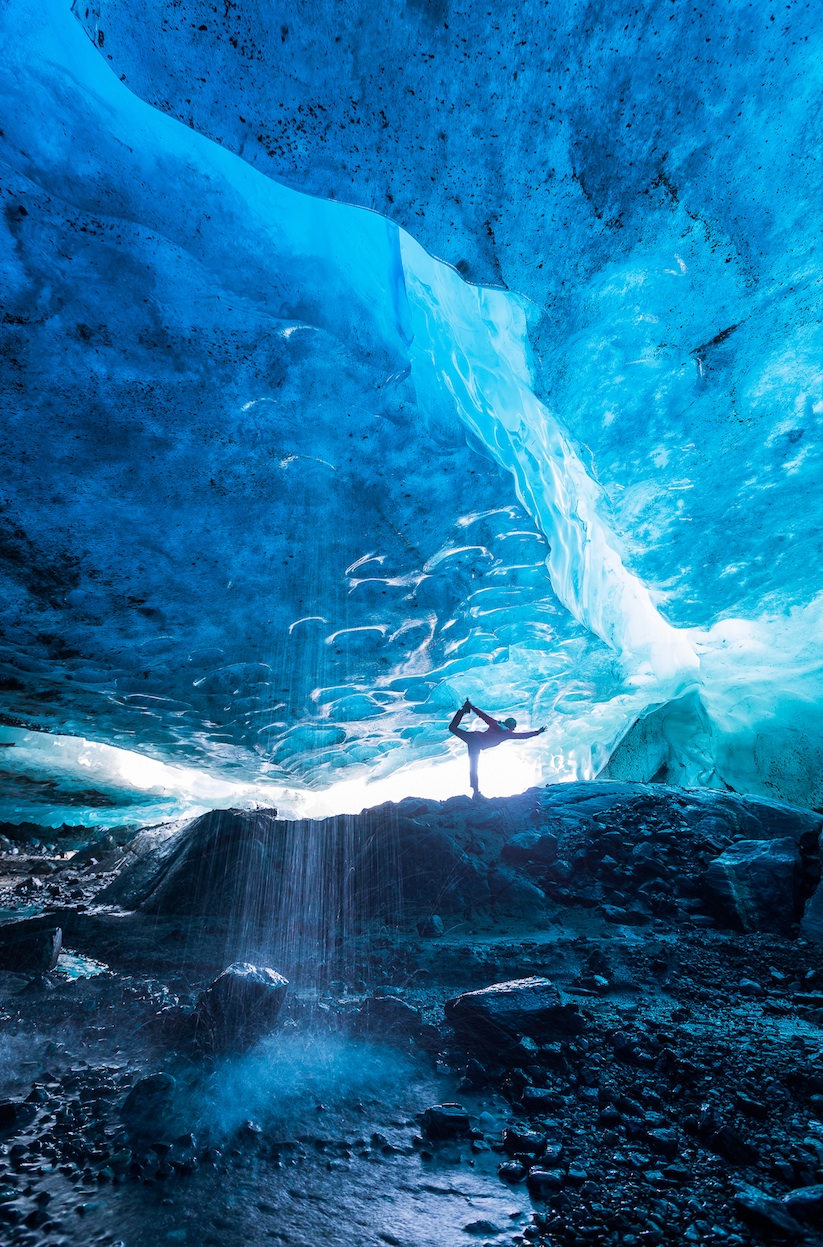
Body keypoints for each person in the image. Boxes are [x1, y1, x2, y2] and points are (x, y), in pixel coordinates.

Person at [448, 699, 546, 798]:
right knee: (473, 767)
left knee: (452, 728)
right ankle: (476, 791)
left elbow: (483, 715)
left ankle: (463, 710)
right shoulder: (507, 733)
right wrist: (538, 732)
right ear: (512, 727)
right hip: (476, 743)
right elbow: (523, 736)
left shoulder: (495, 723)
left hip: (473, 737)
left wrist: (471, 706)